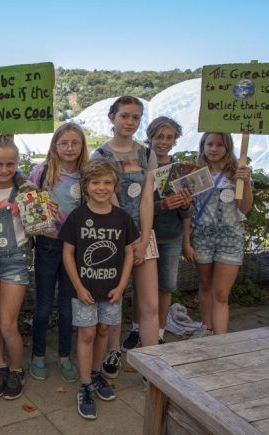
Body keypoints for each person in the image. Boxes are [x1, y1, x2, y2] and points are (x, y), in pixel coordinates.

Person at [60, 159, 138, 419]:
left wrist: (123, 284)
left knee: (104, 330)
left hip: (113, 290)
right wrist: (79, 287)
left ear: (114, 185)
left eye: (107, 182)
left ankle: (95, 375)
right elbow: (68, 254)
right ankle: (84, 386)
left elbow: (128, 253)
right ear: (85, 186)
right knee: (87, 334)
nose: (101, 187)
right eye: (95, 182)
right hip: (85, 290)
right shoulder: (78, 217)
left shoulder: (122, 218)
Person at [92, 96, 158, 378]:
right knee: (113, 300)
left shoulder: (146, 154)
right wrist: (128, 241)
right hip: (114, 238)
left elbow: (147, 199)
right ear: (112, 117)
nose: (130, 122)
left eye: (135, 117)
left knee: (150, 302)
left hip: (144, 236)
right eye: (125, 116)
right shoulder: (100, 156)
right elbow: (108, 201)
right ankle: (113, 351)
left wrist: (143, 240)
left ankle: (154, 365)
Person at [29, 122, 89, 383]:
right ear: (54, 145)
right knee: (42, 305)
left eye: (75, 143)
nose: (69, 148)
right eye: (63, 143)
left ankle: (64, 356)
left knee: (67, 305)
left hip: (74, 247)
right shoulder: (42, 173)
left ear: (82, 146)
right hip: (47, 243)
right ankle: (38, 355)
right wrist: (40, 210)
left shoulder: (87, 174)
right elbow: (26, 207)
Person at [0, 135, 35, 399]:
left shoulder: (26, 190)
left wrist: (45, 211)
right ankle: (0, 366)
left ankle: (16, 369)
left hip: (15, 260)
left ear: (17, 164)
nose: (3, 170)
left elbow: (42, 226)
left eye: (10, 164)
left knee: (7, 323)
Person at [187, 133, 253, 335]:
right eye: (209, 144)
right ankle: (207, 329)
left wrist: (247, 183)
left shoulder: (237, 174)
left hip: (230, 237)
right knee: (205, 285)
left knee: (222, 293)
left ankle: (220, 340)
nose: (213, 149)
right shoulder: (198, 173)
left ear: (228, 148)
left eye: (219, 145)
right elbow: (189, 210)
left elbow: (245, 209)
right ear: (203, 146)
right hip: (203, 236)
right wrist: (186, 241)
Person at [146, 117, 193, 344]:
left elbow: (187, 212)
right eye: (159, 137)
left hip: (172, 237)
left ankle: (159, 332)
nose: (164, 142)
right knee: (143, 288)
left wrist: (184, 203)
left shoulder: (179, 169)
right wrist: (161, 205)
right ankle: (138, 328)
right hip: (146, 236)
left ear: (175, 140)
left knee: (166, 287)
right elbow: (135, 207)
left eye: (169, 137)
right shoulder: (143, 165)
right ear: (150, 137)